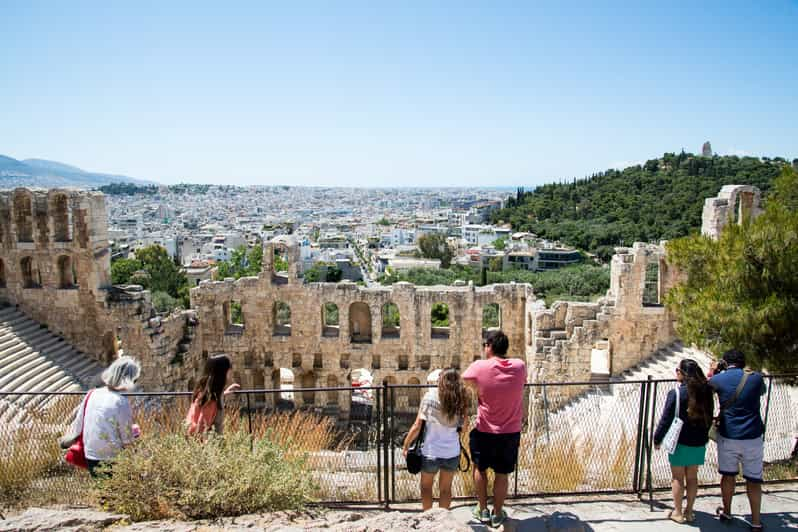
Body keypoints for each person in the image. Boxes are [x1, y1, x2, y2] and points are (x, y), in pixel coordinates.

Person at [462, 330, 526, 528]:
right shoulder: (520, 366)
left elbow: (465, 378)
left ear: (489, 346)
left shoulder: (480, 366)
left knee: (480, 469)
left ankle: (482, 510)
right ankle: (498, 514)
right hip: (511, 431)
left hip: (485, 430)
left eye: (485, 345)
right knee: (502, 474)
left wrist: (479, 389)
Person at [709, 349, 767, 531]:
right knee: (754, 480)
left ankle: (727, 511)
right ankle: (756, 522)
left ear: (725, 363)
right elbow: (762, 391)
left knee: (728, 476)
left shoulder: (719, 379)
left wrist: (715, 371)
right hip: (753, 435)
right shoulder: (756, 378)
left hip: (729, 435)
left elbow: (706, 386)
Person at [654, 358, 713, 524]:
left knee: (677, 478)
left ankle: (678, 513)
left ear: (683, 373)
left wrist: (657, 438)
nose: (676, 373)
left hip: (680, 441)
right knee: (693, 477)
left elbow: (666, 418)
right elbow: (710, 414)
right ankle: (690, 511)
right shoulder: (706, 391)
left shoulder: (677, 393)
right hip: (699, 440)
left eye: (677, 370)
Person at [402, 368, 468, 511]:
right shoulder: (460, 400)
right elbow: (464, 427)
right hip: (451, 452)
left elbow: (417, 425)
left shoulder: (430, 397)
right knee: (445, 489)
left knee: (426, 487)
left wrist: (406, 445)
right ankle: (442, 520)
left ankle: (429, 518)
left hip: (431, 451)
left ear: (441, 381)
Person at [65, 356, 141, 478]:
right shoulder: (121, 402)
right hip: (111, 460)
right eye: (135, 379)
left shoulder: (92, 393)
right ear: (129, 379)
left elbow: (79, 424)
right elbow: (127, 439)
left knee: (102, 493)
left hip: (90, 456)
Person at [186, 354, 240, 435]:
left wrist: (224, 393)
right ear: (222, 372)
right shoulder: (211, 401)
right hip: (211, 444)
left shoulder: (204, 392)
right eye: (229, 368)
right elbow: (201, 428)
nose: (231, 371)